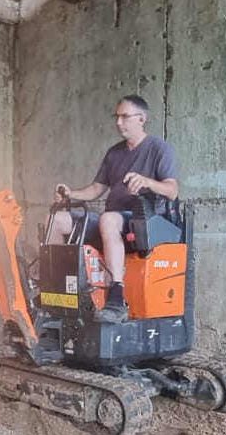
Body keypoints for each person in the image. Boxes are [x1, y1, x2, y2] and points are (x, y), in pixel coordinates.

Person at [45, 95, 179, 323]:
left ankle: (117, 297)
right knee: (57, 219)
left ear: (141, 119)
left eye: (125, 116)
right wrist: (71, 193)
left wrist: (147, 182)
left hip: (142, 221)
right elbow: (97, 188)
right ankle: (54, 288)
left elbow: (172, 190)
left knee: (108, 219)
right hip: (113, 220)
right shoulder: (114, 152)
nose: (119, 122)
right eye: (117, 117)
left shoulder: (159, 148)